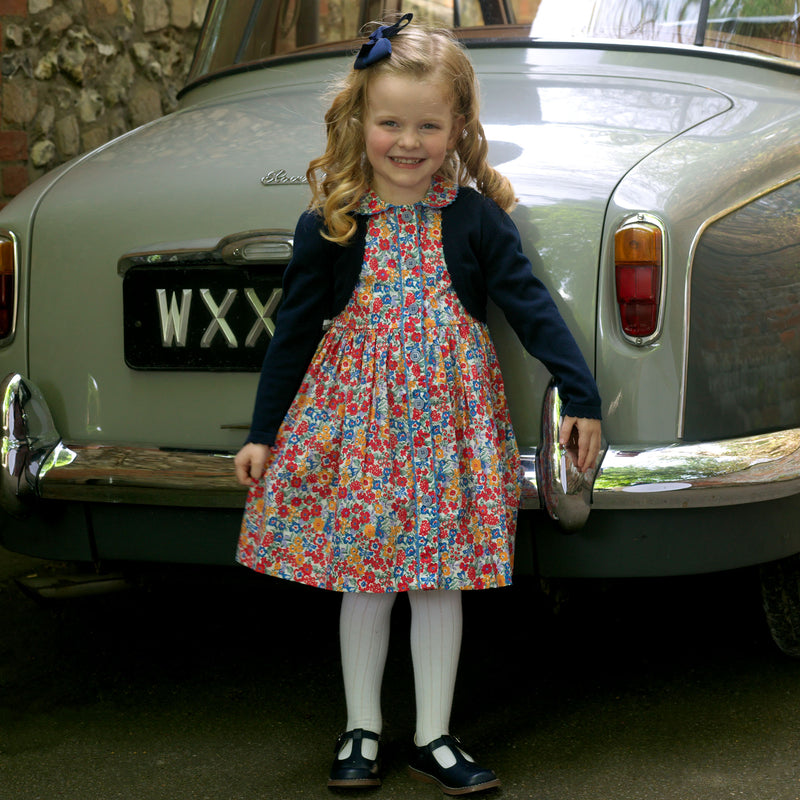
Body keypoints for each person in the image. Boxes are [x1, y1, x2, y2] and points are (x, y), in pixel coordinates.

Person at [234, 13, 602, 796]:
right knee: (366, 577)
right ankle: (360, 728)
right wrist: (264, 432)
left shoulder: (472, 219)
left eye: (428, 125)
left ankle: (433, 735)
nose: (408, 141)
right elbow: (293, 336)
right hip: (361, 427)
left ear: (458, 126)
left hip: (447, 430)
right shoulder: (331, 224)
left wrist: (582, 392)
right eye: (390, 123)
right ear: (359, 120)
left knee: (441, 578)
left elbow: (532, 307)